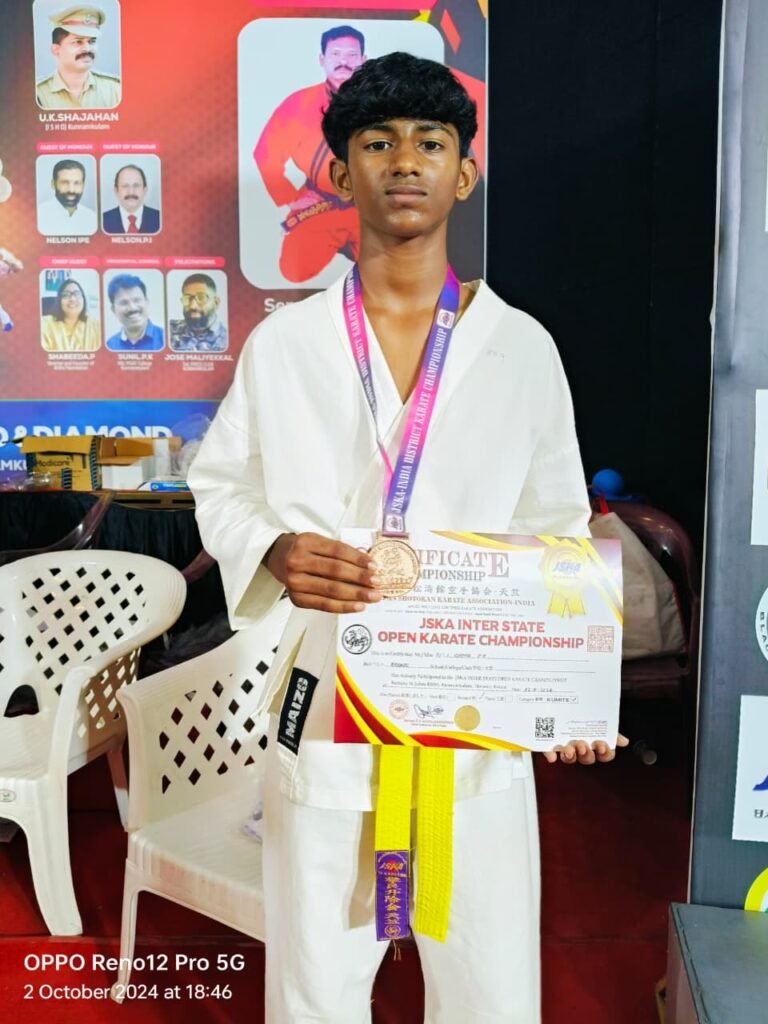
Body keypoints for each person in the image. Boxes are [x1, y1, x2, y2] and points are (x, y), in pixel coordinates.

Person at [189, 53, 626, 1023]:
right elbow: (221, 483)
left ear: (463, 174)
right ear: (340, 173)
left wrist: (574, 689)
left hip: (476, 717)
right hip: (328, 706)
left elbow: (559, 527)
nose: (404, 161)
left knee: (489, 986)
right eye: (377, 142)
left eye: (431, 143)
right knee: (313, 987)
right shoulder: (286, 345)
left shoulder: (521, 348)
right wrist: (274, 551)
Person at [252, 25, 366, 283]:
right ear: (321, 59)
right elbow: (265, 154)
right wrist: (289, 198)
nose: (344, 62)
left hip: (369, 207)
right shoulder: (299, 104)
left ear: (363, 60)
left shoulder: (384, 104)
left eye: (352, 55)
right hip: (320, 203)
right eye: (335, 54)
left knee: (393, 278)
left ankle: (354, 245)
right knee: (294, 272)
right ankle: (337, 241)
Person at [36, 5, 120, 110]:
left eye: (91, 41)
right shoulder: (38, 93)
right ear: (56, 49)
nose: (87, 48)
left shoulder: (115, 89)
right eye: (77, 42)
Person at [168, 273, 227, 352]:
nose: (193, 306)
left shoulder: (228, 339)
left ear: (216, 303)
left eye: (201, 297)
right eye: (188, 298)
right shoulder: (169, 330)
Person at [37, 159, 97, 236]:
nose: (71, 190)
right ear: (53, 184)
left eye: (77, 183)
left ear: (83, 185)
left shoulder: (92, 217)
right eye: (65, 183)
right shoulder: (39, 214)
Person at [105, 274, 163, 351]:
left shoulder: (166, 340)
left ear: (147, 302)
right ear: (113, 309)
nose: (132, 308)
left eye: (137, 300)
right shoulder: (109, 346)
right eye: (124, 303)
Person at [41, 277, 100, 351]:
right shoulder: (44, 324)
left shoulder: (96, 326)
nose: (72, 299)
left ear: (83, 299)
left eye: (77, 294)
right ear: (59, 300)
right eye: (66, 295)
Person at [102, 165, 160, 235]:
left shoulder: (160, 218)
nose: (131, 192)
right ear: (116, 191)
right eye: (125, 186)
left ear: (145, 190)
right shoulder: (102, 220)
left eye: (136, 185)